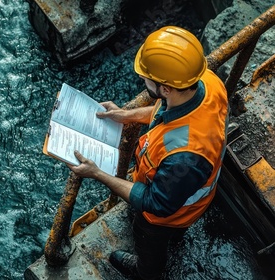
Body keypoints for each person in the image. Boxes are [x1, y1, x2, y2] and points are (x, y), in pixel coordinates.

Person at [67, 26, 229, 279]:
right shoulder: (207, 82)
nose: (142, 81)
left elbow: (157, 204)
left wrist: (97, 173)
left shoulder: (185, 155)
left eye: (146, 78)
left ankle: (146, 272)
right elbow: (166, 113)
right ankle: (175, 237)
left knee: (151, 244)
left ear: (165, 88)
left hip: (167, 216)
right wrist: (126, 115)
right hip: (188, 193)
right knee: (172, 230)